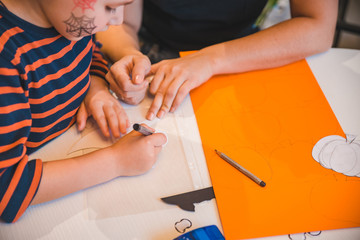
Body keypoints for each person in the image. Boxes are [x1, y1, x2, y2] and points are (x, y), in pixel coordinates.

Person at [0, 0, 167, 223]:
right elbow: (6, 191)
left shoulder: (66, 22)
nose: (117, 20)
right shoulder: (6, 58)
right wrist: (116, 162)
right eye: (109, 7)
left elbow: (89, 51)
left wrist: (95, 85)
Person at [96, 0, 338, 120]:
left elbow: (317, 27)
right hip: (148, 44)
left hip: (245, 51)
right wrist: (129, 54)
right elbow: (120, 19)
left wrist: (211, 60)